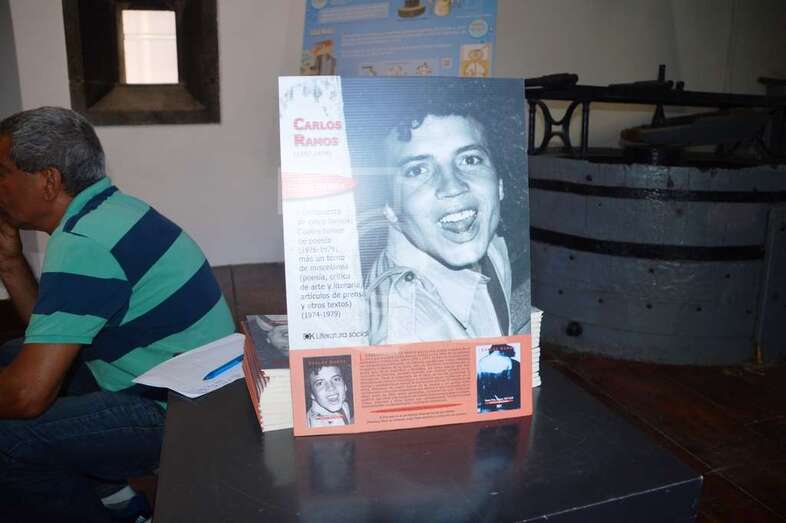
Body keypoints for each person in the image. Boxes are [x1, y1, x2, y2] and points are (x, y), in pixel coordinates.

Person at [0, 107, 235, 522]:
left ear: (49, 181)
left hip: (182, 414)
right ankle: (120, 502)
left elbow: (28, 395)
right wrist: (11, 263)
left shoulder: (83, 241)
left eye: (3, 173)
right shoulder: (110, 209)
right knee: (13, 357)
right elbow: (49, 332)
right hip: (194, 389)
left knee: (9, 441)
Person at [364, 105, 512, 345]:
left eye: (470, 159)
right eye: (417, 170)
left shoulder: (490, 239)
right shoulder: (406, 335)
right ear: (390, 209)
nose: (453, 187)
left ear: (499, 184)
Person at [476, 344, 521, 412]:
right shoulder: (508, 360)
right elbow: (510, 381)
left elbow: (479, 382)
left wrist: (482, 398)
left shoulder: (481, 361)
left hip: (487, 397)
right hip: (504, 398)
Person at [305, 363, 352, 427]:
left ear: (345, 386)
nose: (331, 388)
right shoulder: (317, 424)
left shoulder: (344, 405)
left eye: (336, 379)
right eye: (320, 383)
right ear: (312, 394)